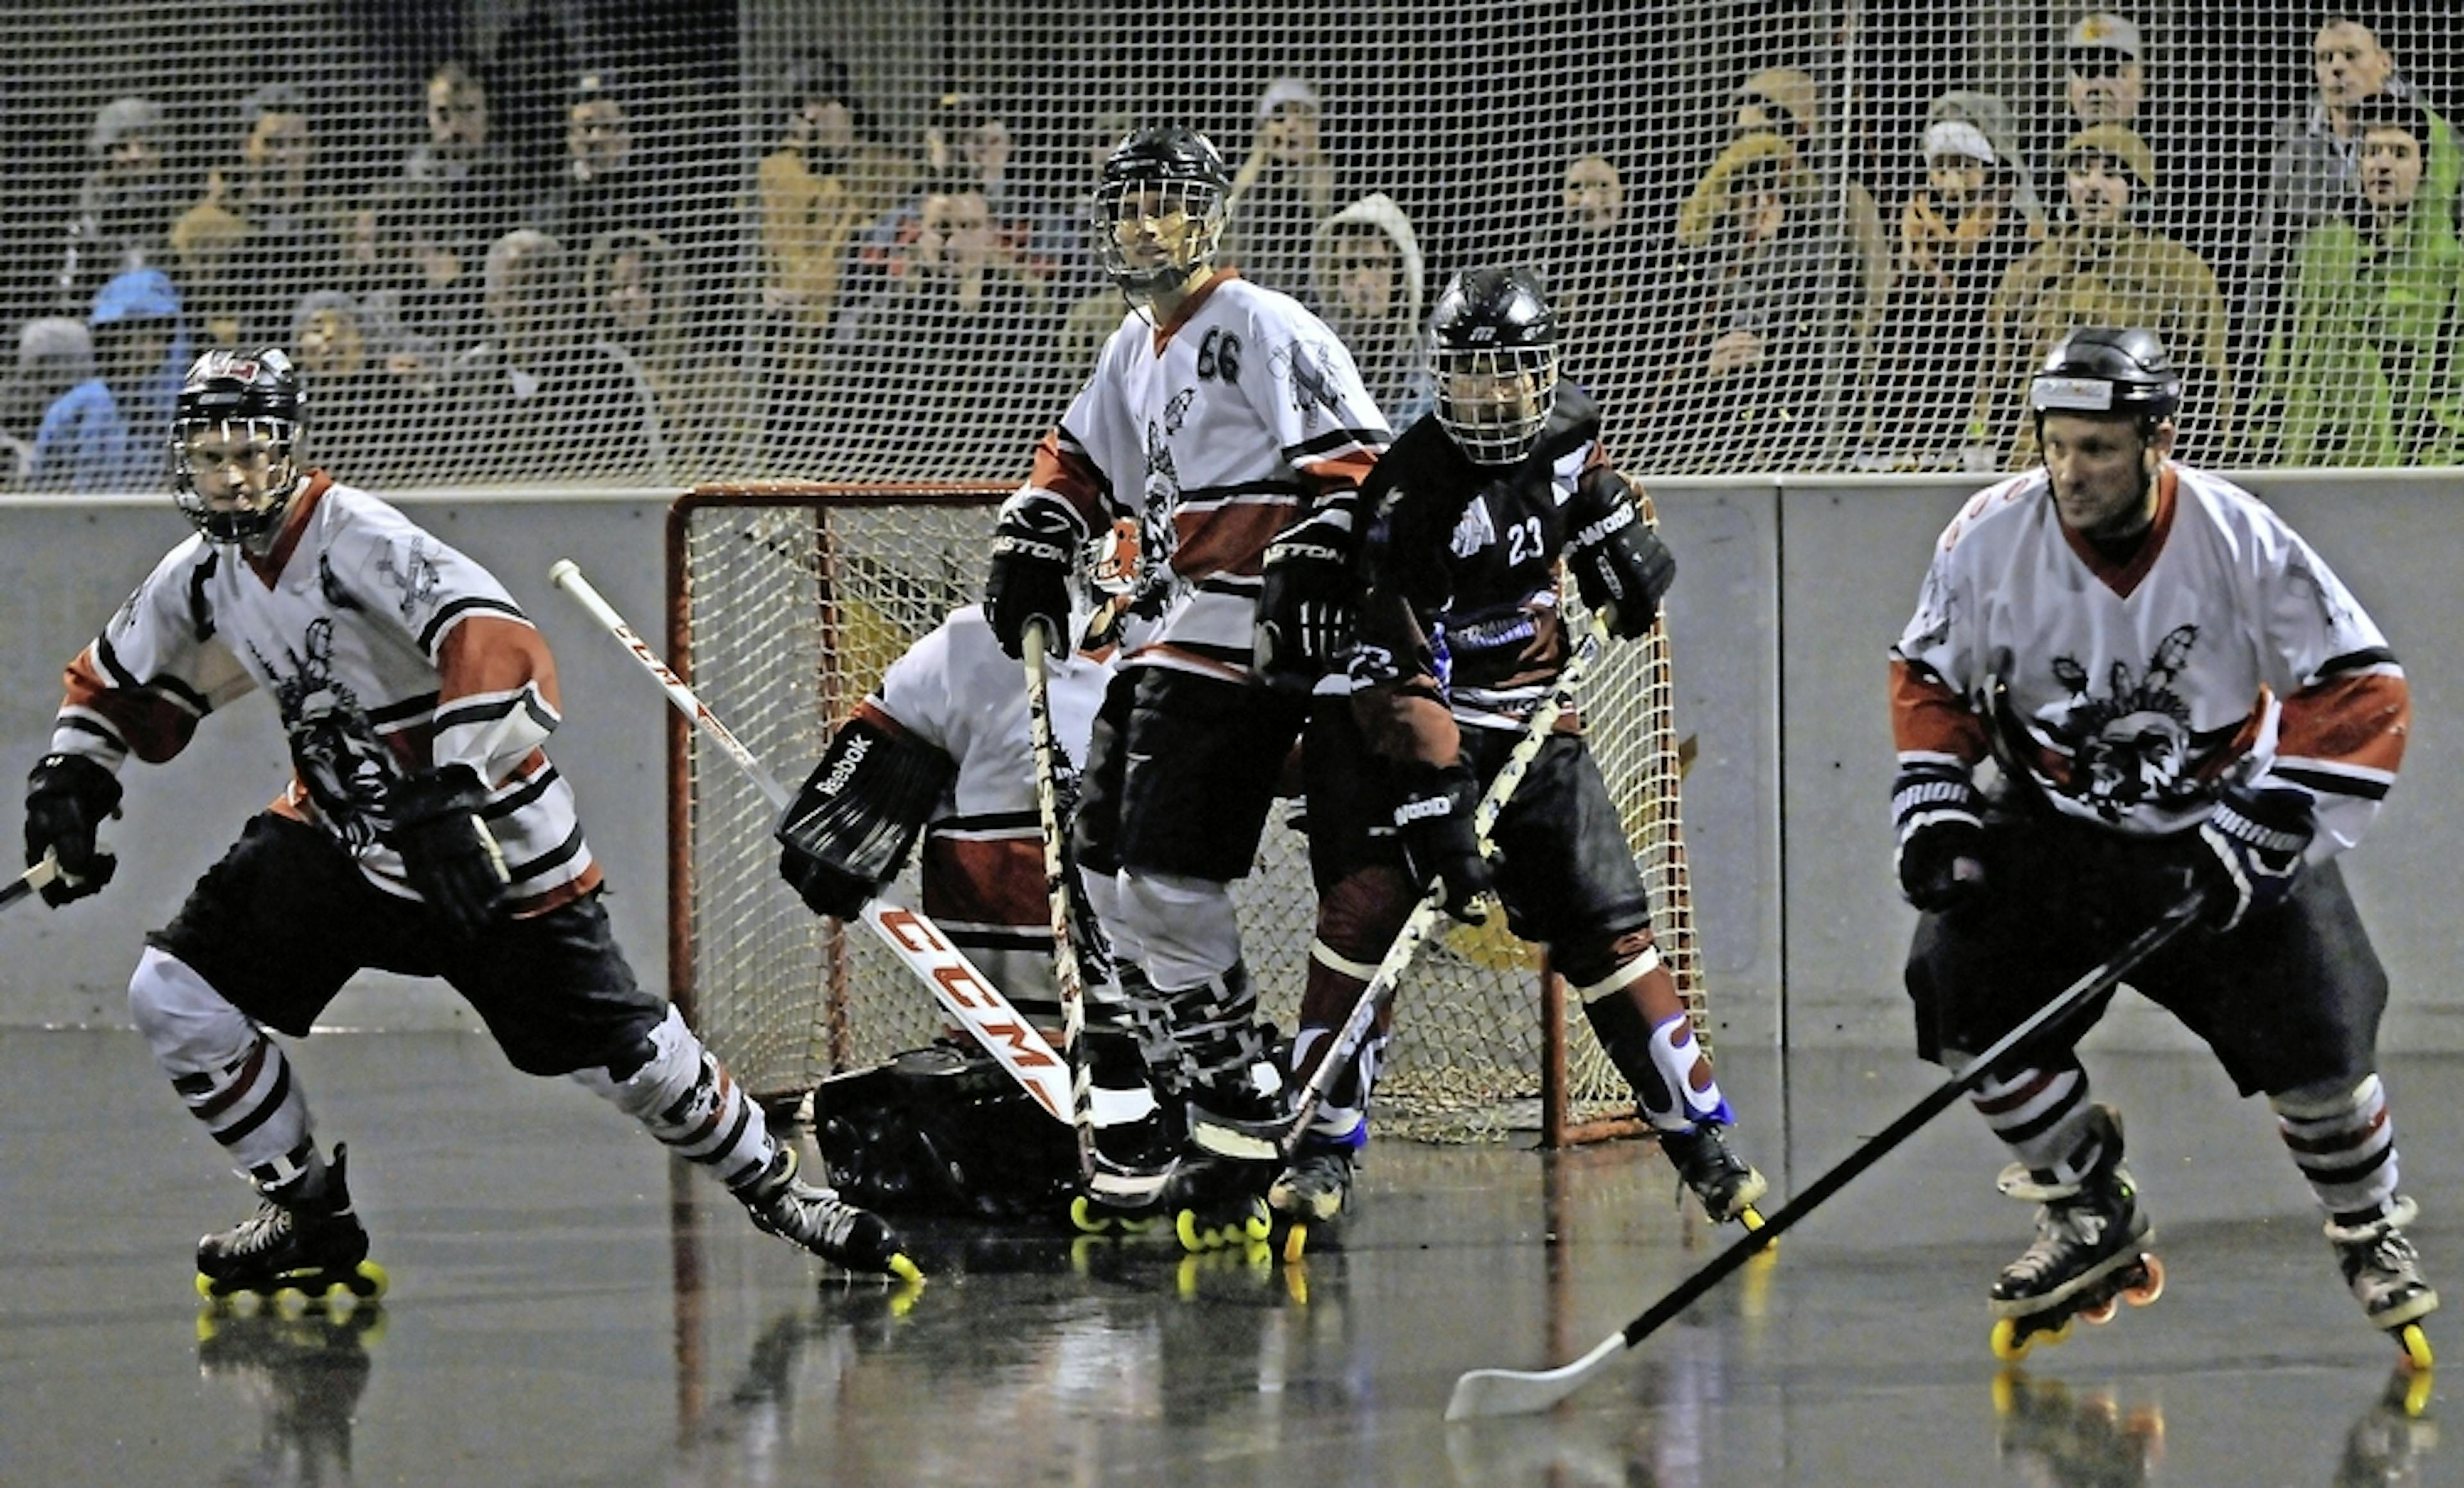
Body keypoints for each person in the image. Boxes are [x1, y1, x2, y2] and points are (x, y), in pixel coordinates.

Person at [19, 347, 916, 1298]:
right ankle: (307, 1211)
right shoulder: (204, 574)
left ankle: (778, 1189)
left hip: (488, 846)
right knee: (174, 992)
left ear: (289, 451)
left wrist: (450, 786)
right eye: (211, 455)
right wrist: (72, 777)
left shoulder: (357, 535)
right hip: (345, 843)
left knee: (631, 1063)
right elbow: (112, 681)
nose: (233, 475)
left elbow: (497, 639)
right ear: (184, 461)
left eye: (253, 451)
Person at [1890, 325, 2435, 1362]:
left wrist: (2267, 820)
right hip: (2057, 827)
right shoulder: (1989, 535)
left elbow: (2363, 685)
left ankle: (2372, 1232)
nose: (2070, 470)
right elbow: (1928, 675)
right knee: (1960, 992)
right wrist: (1939, 802)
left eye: (2098, 447)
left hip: (2214, 830)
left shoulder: (2236, 534)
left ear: (2156, 440)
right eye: (2056, 443)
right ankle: (2089, 1207)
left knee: (2322, 1048)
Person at [1254, 266, 1763, 1234]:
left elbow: (1592, 492)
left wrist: (1623, 542)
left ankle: (1700, 1137)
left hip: (1532, 713)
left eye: (1510, 373)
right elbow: (1397, 671)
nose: (1492, 395)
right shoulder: (1408, 492)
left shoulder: (1568, 430)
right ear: (1440, 377)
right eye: (1470, 375)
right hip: (1403, 719)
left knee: (1609, 920)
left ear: (1544, 371)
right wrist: (1437, 801)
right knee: (1369, 915)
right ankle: (1321, 1148)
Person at [979, 124, 1390, 1238]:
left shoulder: (1261, 325)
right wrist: (1037, 534)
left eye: (1167, 203)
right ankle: (1223, 1106)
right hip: (1161, 637)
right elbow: (1076, 461)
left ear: (1213, 215)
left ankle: (1244, 1107)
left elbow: (1360, 466)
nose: (1144, 224)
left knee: (1159, 876)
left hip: (1245, 641)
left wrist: (1319, 566)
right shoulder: (1133, 345)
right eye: (1127, 205)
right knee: (1109, 878)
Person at [771, 553, 1174, 1220]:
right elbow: (862, 760)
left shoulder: (1190, 650)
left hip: (1149, 1021)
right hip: (1002, 1037)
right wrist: (835, 829)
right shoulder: (969, 651)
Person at [1976, 126, 2230, 468]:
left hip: (2137, 465)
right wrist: (1984, 448)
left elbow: (2211, 379)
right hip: (2038, 463)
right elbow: (1997, 377)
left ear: (2136, 186)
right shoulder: (2031, 273)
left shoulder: (2177, 272)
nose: (2092, 185)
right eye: (2080, 172)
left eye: (2110, 173)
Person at [2256, 96, 2464, 466]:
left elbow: (2454, 390)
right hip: (2307, 461)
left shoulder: (2448, 267)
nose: (2382, 165)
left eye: (2399, 154)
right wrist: (2263, 447)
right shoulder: (2321, 249)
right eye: (2372, 152)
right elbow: (2280, 363)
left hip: (2395, 469)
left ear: (2424, 168)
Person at [2246, 15, 2458, 362]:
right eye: (2325, 58)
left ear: (2385, 62)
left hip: (2411, 323)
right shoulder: (2293, 143)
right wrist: (2255, 345)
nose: (2337, 69)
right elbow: (2270, 252)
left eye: (2351, 55)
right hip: (2322, 329)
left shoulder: (2436, 137)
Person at [1871, 95, 2045, 467]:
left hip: (1992, 415)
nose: (1951, 184)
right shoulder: (1914, 236)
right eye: (1941, 168)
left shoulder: (2017, 237)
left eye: (1965, 167)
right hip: (1920, 420)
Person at [1305, 192, 1432, 426]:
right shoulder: (1314, 361)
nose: (1363, 280)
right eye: (1350, 266)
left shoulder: (1431, 370)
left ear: (1401, 273)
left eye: (1375, 264)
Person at [1224, 78, 1339, 299]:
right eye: (1280, 117)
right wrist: (1261, 151)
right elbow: (1230, 215)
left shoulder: (1330, 174)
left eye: (1303, 116)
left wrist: (1310, 153)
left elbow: (1321, 209)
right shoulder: (1252, 180)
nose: (1291, 125)